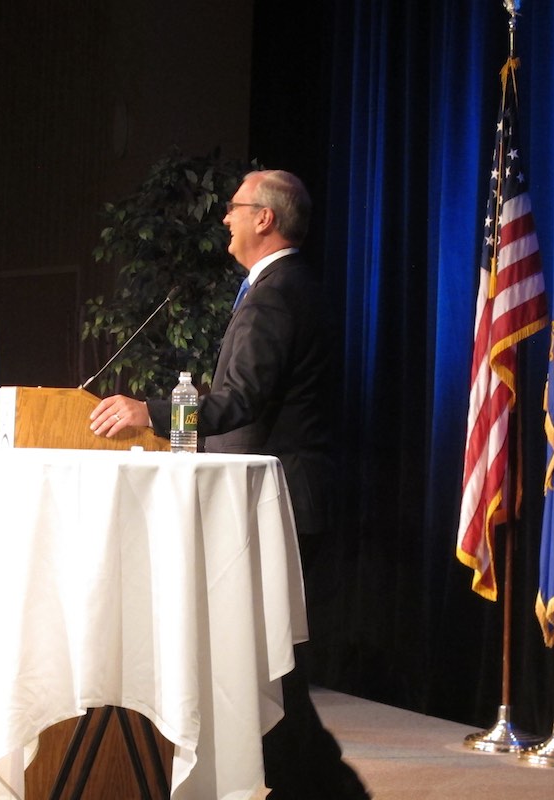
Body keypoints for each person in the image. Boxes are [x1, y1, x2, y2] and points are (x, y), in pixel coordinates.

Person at [89, 170, 368, 799]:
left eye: (236, 210)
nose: (224, 220)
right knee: (272, 669)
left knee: (271, 668)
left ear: (264, 219)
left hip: (282, 504)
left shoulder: (276, 292)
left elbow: (239, 399)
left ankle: (332, 791)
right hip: (286, 498)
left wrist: (150, 412)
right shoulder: (288, 286)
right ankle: (325, 789)